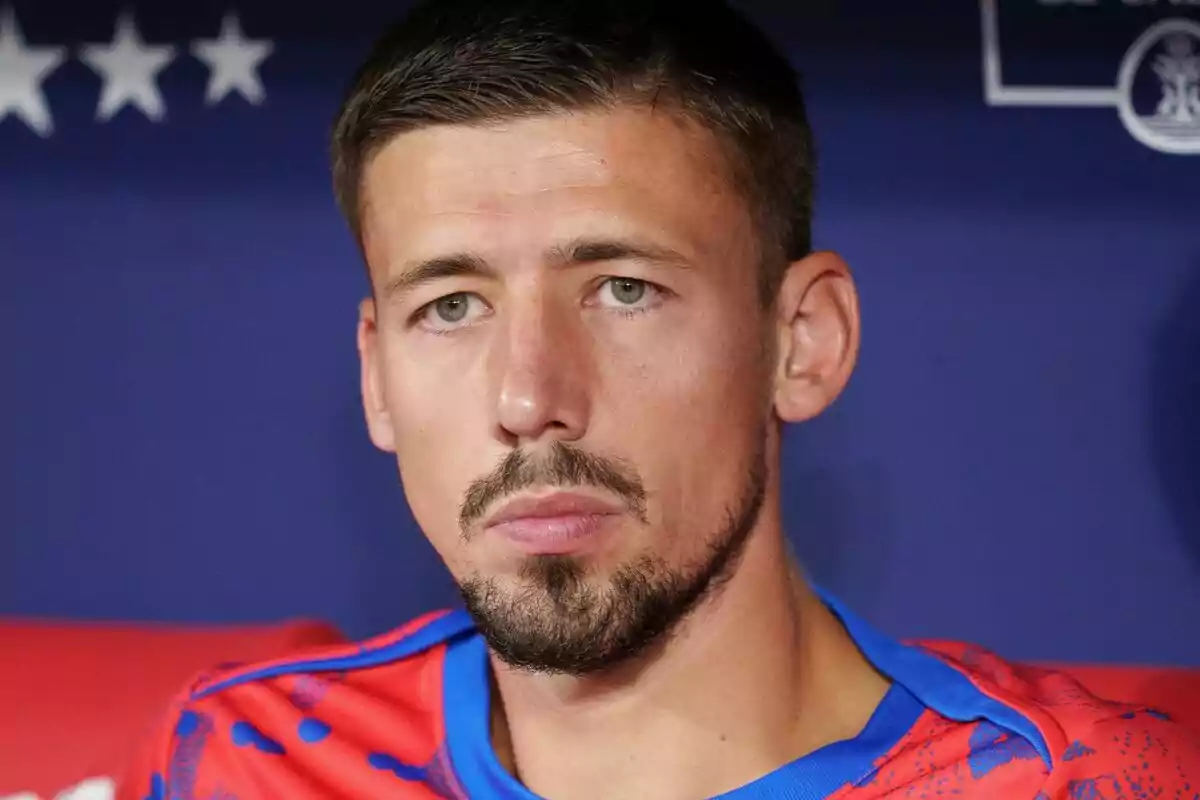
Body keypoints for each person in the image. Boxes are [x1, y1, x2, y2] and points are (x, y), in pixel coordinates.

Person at [118, 0, 1200, 797]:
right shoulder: (252, 757)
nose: (530, 395)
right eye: (450, 305)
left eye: (624, 289)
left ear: (802, 340)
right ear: (376, 377)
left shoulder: (1072, 783)